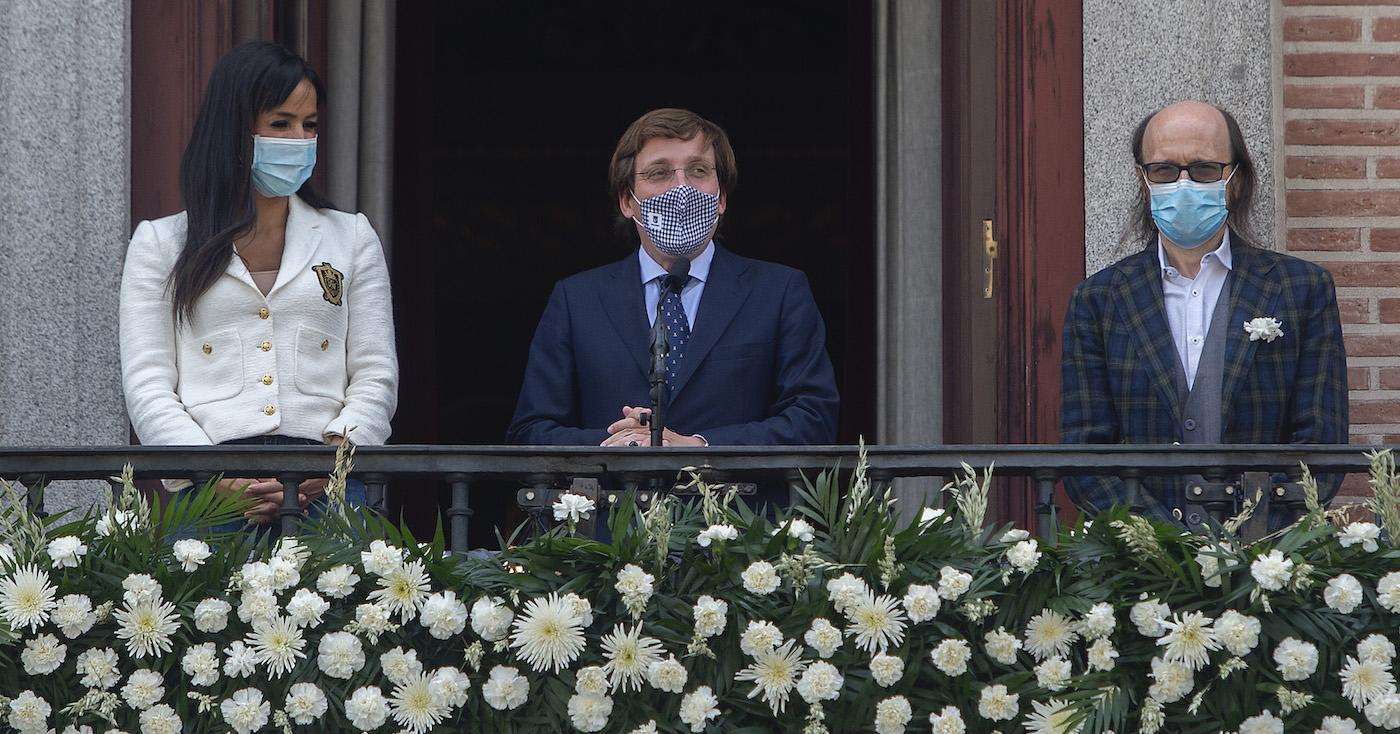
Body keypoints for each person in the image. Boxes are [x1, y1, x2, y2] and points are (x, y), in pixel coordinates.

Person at [120, 41, 398, 528]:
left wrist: (330, 462)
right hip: (210, 494)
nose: (299, 139)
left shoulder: (350, 237)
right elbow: (148, 384)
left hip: (328, 490)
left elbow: (376, 373)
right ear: (235, 129)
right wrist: (212, 476)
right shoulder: (160, 243)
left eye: (309, 125)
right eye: (280, 123)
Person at [1060, 100, 1348, 531]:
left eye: (1203, 170)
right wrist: (1161, 542)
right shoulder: (1099, 301)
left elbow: (1321, 446)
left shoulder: (1300, 290)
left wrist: (1255, 534)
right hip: (1142, 571)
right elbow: (1086, 456)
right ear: (1144, 182)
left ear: (1234, 180)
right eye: (1163, 171)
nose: (1183, 183)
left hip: (1265, 562)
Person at [508, 108, 839, 449]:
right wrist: (624, 445)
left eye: (698, 170)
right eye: (659, 173)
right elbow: (531, 430)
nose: (681, 188)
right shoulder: (576, 301)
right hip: (619, 500)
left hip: (736, 501)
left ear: (721, 197)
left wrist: (699, 445)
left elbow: (814, 419)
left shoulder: (779, 292)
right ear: (627, 200)